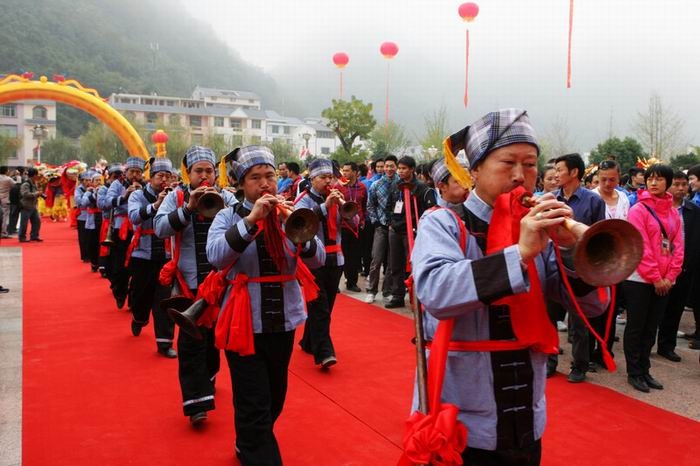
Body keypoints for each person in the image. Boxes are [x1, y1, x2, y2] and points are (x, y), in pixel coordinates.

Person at [410, 109, 608, 465]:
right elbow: (436, 292)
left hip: (528, 413)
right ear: (474, 170)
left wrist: (570, 251)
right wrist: (521, 254)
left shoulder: (536, 228)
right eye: (508, 163)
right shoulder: (443, 223)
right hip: (461, 417)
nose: (520, 175)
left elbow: (591, 307)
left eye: (530, 165)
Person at [206, 145, 325, 464]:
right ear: (241, 184)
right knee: (254, 399)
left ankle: (248, 440)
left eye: (269, 176)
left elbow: (318, 260)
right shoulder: (228, 216)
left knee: (274, 396)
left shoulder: (291, 213)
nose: (264, 184)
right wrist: (251, 220)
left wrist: (296, 228)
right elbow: (216, 256)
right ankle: (258, 451)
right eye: (255, 178)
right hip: (242, 321)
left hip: (282, 321)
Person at [154, 146, 238, 425]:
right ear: (187, 174)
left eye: (209, 171)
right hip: (188, 283)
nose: (204, 176)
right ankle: (196, 403)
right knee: (191, 342)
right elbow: (160, 228)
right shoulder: (176, 197)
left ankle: (208, 378)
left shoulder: (227, 196)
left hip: (222, 282)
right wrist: (188, 208)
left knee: (214, 340)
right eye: (198, 171)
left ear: (216, 173)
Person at [623, 163, 683, 392]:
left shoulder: (673, 212)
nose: (653, 183)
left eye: (658, 179)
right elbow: (641, 247)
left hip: (665, 280)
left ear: (668, 182)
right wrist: (656, 277)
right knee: (636, 326)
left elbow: (678, 247)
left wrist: (670, 276)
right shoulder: (638, 210)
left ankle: (645, 369)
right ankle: (634, 372)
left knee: (651, 328)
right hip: (640, 279)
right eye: (650, 179)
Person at [553, 153, 606, 383]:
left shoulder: (593, 201)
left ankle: (579, 365)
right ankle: (549, 361)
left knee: (579, 322)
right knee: (549, 318)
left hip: (579, 270)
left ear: (574, 172)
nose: (556, 174)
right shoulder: (550, 199)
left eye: (559, 170)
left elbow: (599, 237)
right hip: (553, 267)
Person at [294, 158, 345, 369]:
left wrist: (346, 210)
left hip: (336, 259)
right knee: (320, 306)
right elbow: (300, 221)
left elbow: (355, 222)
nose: (328, 181)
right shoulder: (303, 199)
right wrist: (325, 206)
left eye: (331, 177)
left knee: (326, 306)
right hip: (312, 262)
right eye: (323, 177)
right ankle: (324, 352)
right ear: (313, 179)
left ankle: (308, 341)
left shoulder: (338, 197)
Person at [126, 158, 177, 358]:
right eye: (160, 176)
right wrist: (156, 205)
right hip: (142, 255)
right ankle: (139, 318)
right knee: (141, 297)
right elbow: (134, 216)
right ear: (151, 177)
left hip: (166, 256)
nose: (164, 180)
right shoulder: (138, 195)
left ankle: (165, 343)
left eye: (167, 176)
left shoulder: (174, 195)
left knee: (164, 300)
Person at [656, 171, 700, 361]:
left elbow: (695, 240)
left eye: (684, 184)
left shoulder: (693, 211)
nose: (681, 188)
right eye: (676, 184)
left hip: (684, 268)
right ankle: (646, 346)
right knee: (655, 310)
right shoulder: (658, 208)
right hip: (660, 268)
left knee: (675, 310)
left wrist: (689, 263)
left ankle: (667, 346)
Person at [385, 156, 436, 308]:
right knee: (395, 264)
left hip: (412, 231)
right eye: (399, 168)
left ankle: (418, 295)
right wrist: (390, 223)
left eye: (404, 168)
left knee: (415, 263)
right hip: (395, 230)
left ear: (412, 169)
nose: (400, 171)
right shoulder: (395, 186)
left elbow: (428, 211)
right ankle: (397, 296)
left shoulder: (421, 188)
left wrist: (417, 227)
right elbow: (389, 206)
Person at [106, 157, 145, 309]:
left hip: (139, 230)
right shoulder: (117, 184)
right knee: (120, 265)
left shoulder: (146, 186)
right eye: (132, 172)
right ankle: (119, 292)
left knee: (137, 266)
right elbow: (106, 202)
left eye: (138, 172)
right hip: (121, 228)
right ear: (126, 172)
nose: (135, 175)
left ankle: (133, 299)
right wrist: (124, 197)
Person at [365, 155, 398, 303]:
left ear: (396, 167)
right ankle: (371, 290)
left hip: (396, 228)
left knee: (392, 262)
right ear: (383, 167)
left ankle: (387, 291)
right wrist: (376, 221)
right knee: (376, 260)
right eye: (387, 166)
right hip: (381, 227)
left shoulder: (401, 184)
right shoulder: (376, 185)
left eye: (392, 166)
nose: (389, 169)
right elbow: (370, 205)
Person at [338, 161, 367, 292]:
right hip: (343, 226)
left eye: (347, 170)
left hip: (357, 227)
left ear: (355, 172)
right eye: (343, 170)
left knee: (354, 256)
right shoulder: (339, 187)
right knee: (341, 256)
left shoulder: (362, 187)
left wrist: (363, 220)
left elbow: (364, 205)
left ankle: (352, 283)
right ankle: (336, 283)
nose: (344, 173)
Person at [18, 168, 43, 242]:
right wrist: (36, 194)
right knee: (24, 223)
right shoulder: (26, 184)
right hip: (26, 206)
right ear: (34, 175)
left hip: (33, 206)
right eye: (37, 175)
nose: (38, 176)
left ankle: (34, 236)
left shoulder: (34, 182)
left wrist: (38, 194)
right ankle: (22, 237)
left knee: (37, 221)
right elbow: (25, 194)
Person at [0, 166, 15, 238]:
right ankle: (3, 233)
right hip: (5, 200)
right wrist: (17, 176)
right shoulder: (8, 179)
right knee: (5, 217)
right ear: (6, 171)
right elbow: (15, 185)